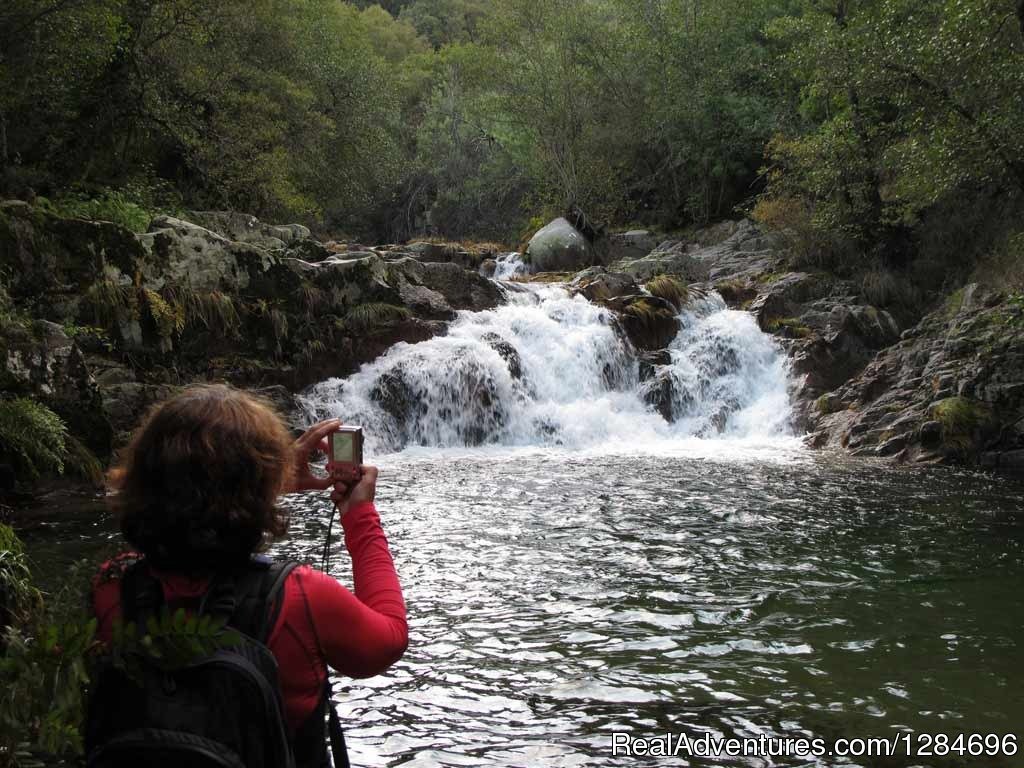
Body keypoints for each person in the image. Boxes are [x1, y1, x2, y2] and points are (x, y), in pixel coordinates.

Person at [90, 384, 407, 766]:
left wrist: (268, 483)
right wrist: (359, 515)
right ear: (259, 485)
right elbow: (387, 640)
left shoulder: (113, 585)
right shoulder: (299, 597)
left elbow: (190, 510)